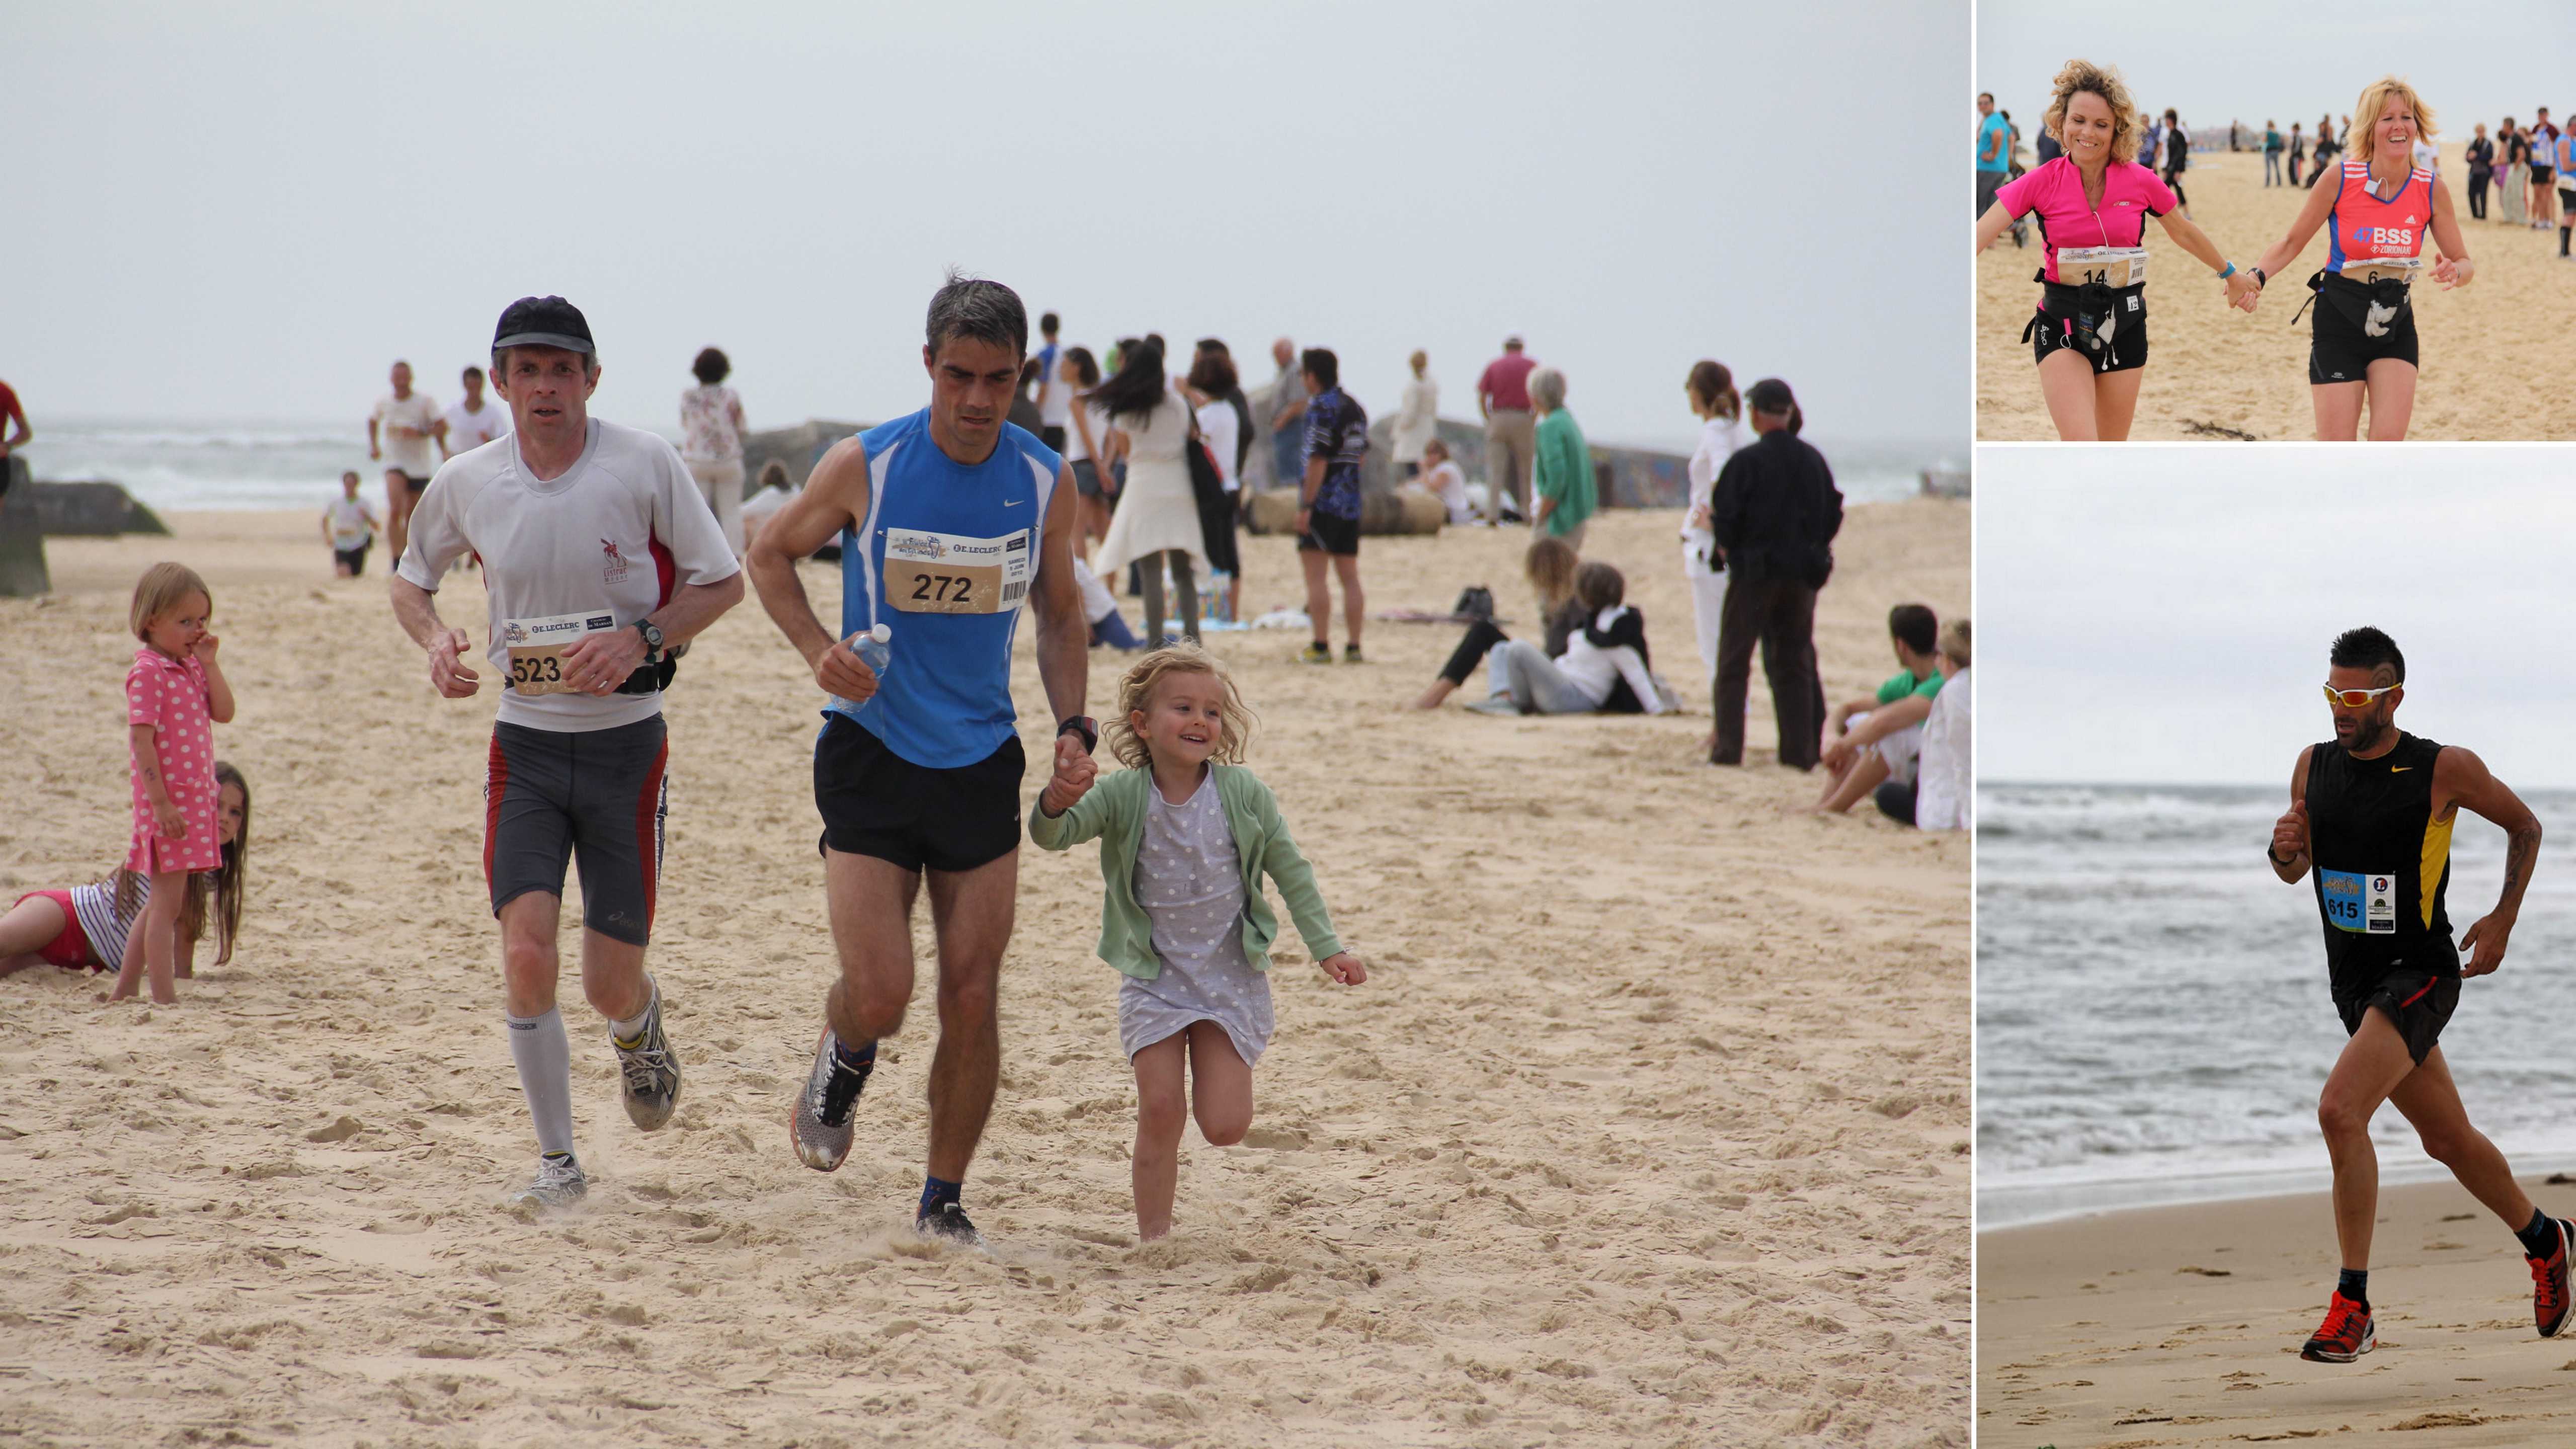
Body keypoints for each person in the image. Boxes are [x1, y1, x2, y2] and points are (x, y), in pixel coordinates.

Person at [745, 273, 1090, 1249]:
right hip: (872, 751)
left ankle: (943, 1198)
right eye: (958, 375)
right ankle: (845, 1046)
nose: (978, 400)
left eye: (999, 378)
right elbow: (769, 555)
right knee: (885, 994)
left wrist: (1074, 728)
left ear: (1023, 375)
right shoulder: (869, 464)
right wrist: (821, 650)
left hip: (981, 759)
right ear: (927, 366)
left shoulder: (1041, 478)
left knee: (973, 992)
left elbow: (1061, 613)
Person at [390, 295, 745, 1211]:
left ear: (592, 379)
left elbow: (723, 581)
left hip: (629, 749)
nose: (545, 388)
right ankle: (558, 1164)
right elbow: (409, 582)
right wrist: (433, 638)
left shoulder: (644, 462)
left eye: (562, 370)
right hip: (528, 748)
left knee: (605, 981)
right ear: (501, 382)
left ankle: (639, 1028)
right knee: (526, 952)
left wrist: (643, 640)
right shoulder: (468, 480)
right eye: (527, 371)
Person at [2265, 626, 2570, 1364]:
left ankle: (2354, 1305)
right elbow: (2295, 871)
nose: (2342, 708)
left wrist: (2503, 918)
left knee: (2340, 1112)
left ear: (2393, 696)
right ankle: (2548, 1241)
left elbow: (2525, 825)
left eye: (2357, 696)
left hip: (2422, 971)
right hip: (2356, 984)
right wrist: (2283, 851)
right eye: (2333, 693)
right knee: (2446, 1138)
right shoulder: (2313, 767)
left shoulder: (2443, 769)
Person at [1029, 646, 1365, 1239]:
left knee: (1224, 1125)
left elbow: (1291, 870)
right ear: (1142, 725)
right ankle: (1153, 1239)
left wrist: (1327, 946)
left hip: (1228, 977)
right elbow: (1053, 837)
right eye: (1182, 707)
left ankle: (1214, 1114)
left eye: (1212, 712)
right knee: (1161, 1110)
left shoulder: (1244, 793)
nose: (1199, 721)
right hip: (1153, 979)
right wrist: (1056, 800)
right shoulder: (1121, 795)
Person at [1978, 61, 2255, 442]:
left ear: (2116, 130)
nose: (2087, 133)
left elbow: (2184, 232)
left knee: (2110, 453)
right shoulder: (2040, 182)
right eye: (2078, 120)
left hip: (2125, 324)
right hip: (2063, 326)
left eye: (2100, 124)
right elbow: (1977, 237)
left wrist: (2231, 274)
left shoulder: (2141, 181)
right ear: (2061, 121)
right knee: (2082, 448)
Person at [2242, 76, 2472, 442]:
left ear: (2417, 126)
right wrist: (2256, 276)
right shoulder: (2340, 178)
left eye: (2407, 117)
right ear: (2370, 128)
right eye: (2387, 118)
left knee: (2387, 449)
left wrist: (2455, 271)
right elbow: (2291, 242)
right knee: (2338, 453)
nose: (2399, 126)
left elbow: (2464, 261)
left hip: (2395, 324)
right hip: (2338, 322)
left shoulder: (2431, 188)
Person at [114, 562, 236, 1006]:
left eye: (202, 620)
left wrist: (210, 663)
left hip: (192, 802)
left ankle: (126, 988)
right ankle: (163, 997)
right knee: (167, 906)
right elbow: (141, 741)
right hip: (167, 806)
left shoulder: (190, 666)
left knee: (160, 903)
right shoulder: (148, 672)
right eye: (185, 621)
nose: (197, 629)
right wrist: (161, 804)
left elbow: (223, 713)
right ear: (152, 621)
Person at [3, 762, 249, 982]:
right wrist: (183, 978)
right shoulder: (174, 845)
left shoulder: (213, 871)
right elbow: (185, 924)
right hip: (69, 916)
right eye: (216, 806)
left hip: (85, 959)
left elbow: (186, 925)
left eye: (235, 812)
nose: (225, 818)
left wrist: (184, 978)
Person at [1710, 379, 1839, 769]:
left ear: (1755, 413)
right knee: (1793, 664)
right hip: (1801, 577)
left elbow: (1726, 520)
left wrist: (1729, 547)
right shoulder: (1814, 460)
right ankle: (1798, 754)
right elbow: (1832, 516)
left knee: (1734, 663)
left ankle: (1729, 750)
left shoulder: (1747, 462)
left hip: (1754, 576)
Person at [1093, 339, 1208, 648]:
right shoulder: (1177, 403)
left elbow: (1127, 451)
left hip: (1144, 484)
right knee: (1183, 570)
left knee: (1150, 570)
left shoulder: (1127, 409)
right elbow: (1189, 437)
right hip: (1178, 483)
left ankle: (1156, 640)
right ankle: (1193, 637)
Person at [1468, 562, 1668, 718]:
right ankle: (1501, 699)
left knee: (1517, 649)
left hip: (1577, 698)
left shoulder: (1614, 629)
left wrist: (1655, 708)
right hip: (1563, 683)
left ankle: (1515, 704)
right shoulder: (1592, 621)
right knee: (1501, 648)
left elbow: (1635, 671)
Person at [1410, 536, 1580, 710]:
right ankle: (1439, 693)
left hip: (1561, 679)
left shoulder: (1575, 602)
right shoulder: (1560, 599)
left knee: (1484, 631)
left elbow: (1565, 652)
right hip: (1554, 672)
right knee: (1486, 632)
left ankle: (1435, 695)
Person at [1808, 604, 1945, 816]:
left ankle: (1833, 807)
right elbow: (1847, 710)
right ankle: (1825, 803)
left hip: (1943, 772)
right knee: (1856, 724)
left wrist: (1842, 746)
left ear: (1900, 646)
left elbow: (1884, 721)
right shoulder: (1909, 680)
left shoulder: (1942, 680)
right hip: (1921, 768)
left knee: (1891, 735)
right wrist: (1830, 737)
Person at [1293, 347, 1368, 665]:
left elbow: (1317, 459)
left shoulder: (1321, 408)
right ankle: (1354, 646)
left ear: (1312, 376)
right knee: (1350, 576)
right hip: (1350, 503)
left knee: (1316, 575)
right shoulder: (1356, 408)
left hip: (1324, 503)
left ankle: (1321, 644)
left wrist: (1307, 504)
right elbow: (1361, 456)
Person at [1683, 360, 1745, 698]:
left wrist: (1717, 520)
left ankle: (1724, 720)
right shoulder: (1733, 428)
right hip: (1723, 545)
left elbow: (1725, 474)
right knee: (1728, 640)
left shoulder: (1716, 430)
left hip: (1710, 546)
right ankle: (1730, 715)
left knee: (1713, 642)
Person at [1883, 621, 1970, 830]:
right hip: (1946, 801)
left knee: (1888, 795)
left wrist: (1969, 819)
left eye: (1938, 654)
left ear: (1947, 660)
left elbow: (1963, 756)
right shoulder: (1962, 685)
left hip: (1946, 813)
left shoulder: (1956, 690)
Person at [1182, 348, 1244, 622]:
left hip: (1211, 490)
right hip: (1231, 486)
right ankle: (1231, 612)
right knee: (1229, 554)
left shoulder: (1208, 416)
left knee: (1212, 554)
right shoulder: (1230, 411)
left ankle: (1214, 611)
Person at [368, 360, 440, 564]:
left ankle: (410, 556)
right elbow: (372, 421)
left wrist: (420, 433)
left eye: (404, 376)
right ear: (391, 379)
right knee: (395, 509)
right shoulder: (384, 401)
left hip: (419, 465)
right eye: (396, 376)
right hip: (395, 462)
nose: (400, 381)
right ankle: (395, 558)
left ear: (411, 378)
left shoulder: (425, 401)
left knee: (412, 515)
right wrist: (374, 446)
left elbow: (442, 426)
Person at [681, 347, 749, 556]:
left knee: (698, 513)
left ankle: (698, 556)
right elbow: (742, 427)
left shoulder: (688, 396)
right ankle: (734, 558)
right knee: (731, 512)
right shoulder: (731, 396)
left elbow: (685, 425)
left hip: (697, 460)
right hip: (728, 460)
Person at [1525, 366, 1594, 549]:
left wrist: (1542, 514)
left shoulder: (1550, 427)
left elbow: (1557, 476)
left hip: (1560, 520)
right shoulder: (1567, 421)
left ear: (1535, 397)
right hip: (1577, 515)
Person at [1476, 337, 1537, 525]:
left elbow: (1483, 394)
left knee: (1495, 471)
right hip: (1523, 416)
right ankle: (1527, 513)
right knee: (1526, 470)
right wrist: (1533, 417)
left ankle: (1492, 514)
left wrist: (1489, 417)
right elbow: (1538, 392)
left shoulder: (1495, 366)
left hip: (1499, 417)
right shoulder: (1532, 366)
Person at [1057, 347, 1109, 557]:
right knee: (1103, 532)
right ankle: (1110, 587)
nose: (1061, 369)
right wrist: (1105, 466)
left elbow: (1087, 439)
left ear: (1076, 368)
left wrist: (1100, 467)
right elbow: (1111, 438)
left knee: (1076, 531)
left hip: (1081, 465)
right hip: (1099, 465)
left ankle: (1082, 587)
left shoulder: (1077, 401)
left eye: (1065, 364)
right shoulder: (1101, 400)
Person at [1263, 337, 1308, 502]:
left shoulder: (1295, 371)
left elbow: (1299, 402)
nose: (1275, 358)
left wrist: (1282, 420)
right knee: (1284, 470)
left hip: (1292, 426)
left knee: (1292, 472)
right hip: (1283, 428)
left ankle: (1294, 505)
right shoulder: (1282, 373)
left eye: (1277, 354)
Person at [438, 365, 510, 459]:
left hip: (483, 462)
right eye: (471, 387)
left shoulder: (493, 413)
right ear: (465, 385)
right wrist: (444, 451)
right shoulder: (452, 410)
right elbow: (438, 429)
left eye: (477, 387)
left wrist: (489, 441)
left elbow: (502, 441)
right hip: (458, 462)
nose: (475, 391)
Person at [321, 469, 379, 578]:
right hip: (341, 544)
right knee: (343, 574)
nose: (349, 486)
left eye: (352, 483)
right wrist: (327, 536)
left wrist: (367, 516)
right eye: (347, 483)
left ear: (357, 484)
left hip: (358, 544)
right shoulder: (337, 502)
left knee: (356, 575)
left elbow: (377, 526)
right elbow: (325, 519)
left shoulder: (364, 503)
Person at [1393, 350, 1438, 478]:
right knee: (1423, 465)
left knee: (1413, 468)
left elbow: (1410, 412)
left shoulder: (1414, 385)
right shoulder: (1432, 383)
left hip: (1414, 432)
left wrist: (1401, 426)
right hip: (1427, 428)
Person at [1977, 93, 2016, 234]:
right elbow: (2011, 136)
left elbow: (1998, 134)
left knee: (1981, 203)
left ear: (1993, 104)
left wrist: (1993, 155)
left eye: (1986, 103)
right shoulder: (1998, 118)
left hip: (1987, 168)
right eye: (1980, 103)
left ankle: (1981, 236)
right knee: (1991, 204)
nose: (1982, 106)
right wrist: (2007, 157)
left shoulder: (1993, 120)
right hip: (1999, 168)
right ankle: (1991, 238)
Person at [1033, 311, 1070, 455]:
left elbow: (1043, 387)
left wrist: (1035, 411)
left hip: (1046, 420)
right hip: (1063, 419)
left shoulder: (1045, 355)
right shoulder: (1067, 355)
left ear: (1042, 329)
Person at [1420, 438, 1471, 525]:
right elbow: (1419, 482)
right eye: (1428, 454)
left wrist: (1424, 469)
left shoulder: (1446, 468)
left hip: (1454, 511)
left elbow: (1432, 489)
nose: (1429, 458)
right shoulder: (1438, 469)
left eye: (1433, 454)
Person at [2528, 107, 2557, 231]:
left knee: (2548, 193)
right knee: (2538, 193)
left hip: (2547, 165)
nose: (2542, 117)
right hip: (2536, 164)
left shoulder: (2552, 130)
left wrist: (2554, 169)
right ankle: (2541, 219)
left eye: (2544, 115)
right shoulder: (2535, 129)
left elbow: (2556, 149)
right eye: (2540, 115)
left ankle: (2550, 219)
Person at [2159, 108, 2192, 216]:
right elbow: (2170, 155)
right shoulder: (2170, 134)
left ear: (2171, 120)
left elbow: (2182, 154)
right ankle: (2182, 213)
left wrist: (2179, 170)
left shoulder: (2179, 135)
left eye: (2167, 119)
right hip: (2170, 168)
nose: (2166, 121)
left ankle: (2184, 213)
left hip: (2175, 169)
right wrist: (2165, 169)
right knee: (2171, 190)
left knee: (2167, 191)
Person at [2501, 118, 2530, 226]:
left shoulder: (2516, 137)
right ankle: (2509, 217)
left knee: (2518, 193)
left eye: (2504, 125)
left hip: (2517, 166)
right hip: (2513, 166)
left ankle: (2521, 219)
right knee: (2507, 193)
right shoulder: (2510, 138)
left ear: (2508, 125)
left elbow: (2521, 154)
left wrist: (2516, 167)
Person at [2465, 122, 2494, 221]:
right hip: (2474, 172)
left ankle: (2483, 215)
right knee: (2471, 193)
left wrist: (2477, 156)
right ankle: (2475, 215)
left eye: (2481, 131)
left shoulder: (2488, 144)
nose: (2480, 133)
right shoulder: (2473, 143)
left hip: (2484, 173)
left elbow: (2489, 157)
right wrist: (2471, 157)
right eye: (2478, 131)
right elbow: (2467, 157)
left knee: (2483, 194)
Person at [2265, 119, 2285, 187]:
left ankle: (2268, 183)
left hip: (2269, 151)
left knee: (2268, 168)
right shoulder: (2276, 133)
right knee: (2277, 168)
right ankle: (2279, 183)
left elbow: (2265, 140)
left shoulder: (2268, 133)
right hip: (2276, 151)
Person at [2289, 121, 2306, 187]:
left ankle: (2296, 182)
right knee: (2295, 169)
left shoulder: (2297, 137)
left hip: (2296, 156)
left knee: (2296, 169)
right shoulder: (2296, 136)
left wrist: (2292, 153)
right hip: (2295, 156)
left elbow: (2297, 147)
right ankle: (2294, 182)